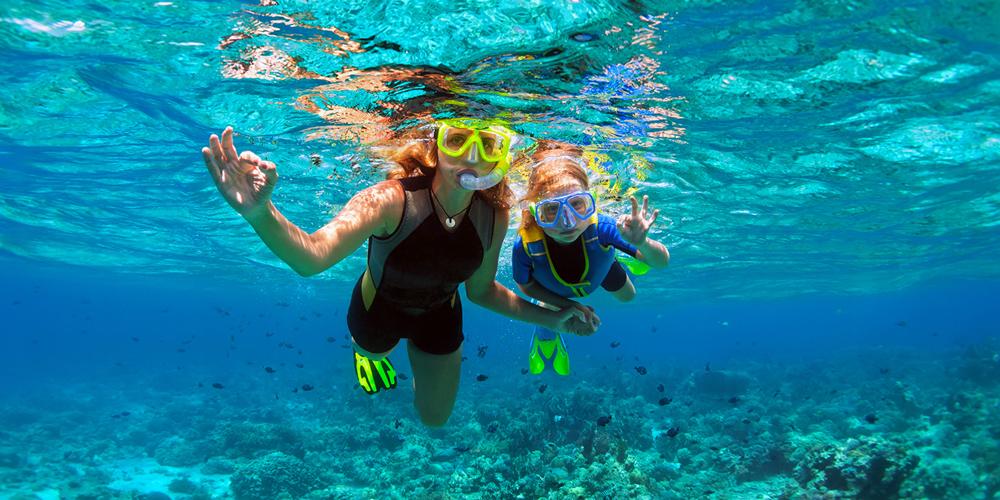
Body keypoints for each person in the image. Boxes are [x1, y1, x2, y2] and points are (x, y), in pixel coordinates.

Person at [201, 120, 596, 427]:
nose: (472, 157)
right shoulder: (391, 199)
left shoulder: (495, 214)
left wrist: (554, 318)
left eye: (488, 145)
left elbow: (481, 292)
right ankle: (366, 353)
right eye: (457, 140)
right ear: (436, 146)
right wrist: (259, 212)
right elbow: (312, 258)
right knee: (373, 352)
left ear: (500, 157)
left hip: (441, 314)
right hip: (378, 310)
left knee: (435, 419)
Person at [512, 144, 670, 376]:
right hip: (554, 289)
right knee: (550, 311)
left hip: (600, 267)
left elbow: (662, 262)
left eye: (577, 205)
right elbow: (524, 286)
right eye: (551, 210)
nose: (567, 222)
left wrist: (642, 243)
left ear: (592, 202)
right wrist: (570, 306)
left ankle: (628, 254)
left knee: (629, 296)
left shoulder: (604, 227)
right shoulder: (526, 245)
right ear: (536, 213)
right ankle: (546, 337)